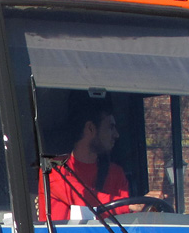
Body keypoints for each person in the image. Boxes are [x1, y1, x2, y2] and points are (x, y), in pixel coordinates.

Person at [39, 94, 131, 222]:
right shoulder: (54, 169)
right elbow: (82, 197)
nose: (116, 134)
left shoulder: (116, 173)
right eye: (110, 127)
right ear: (91, 128)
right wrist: (131, 206)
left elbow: (127, 219)